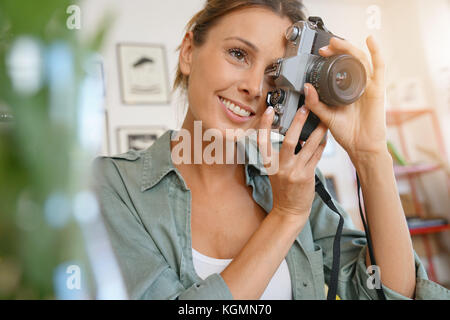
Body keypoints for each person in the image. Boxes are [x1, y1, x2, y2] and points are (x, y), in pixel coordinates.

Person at [93, 0, 450, 299]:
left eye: (274, 73)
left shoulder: (289, 177)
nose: (253, 87)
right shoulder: (113, 185)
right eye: (237, 54)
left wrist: (371, 156)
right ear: (188, 52)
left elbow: (385, 293)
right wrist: (285, 216)